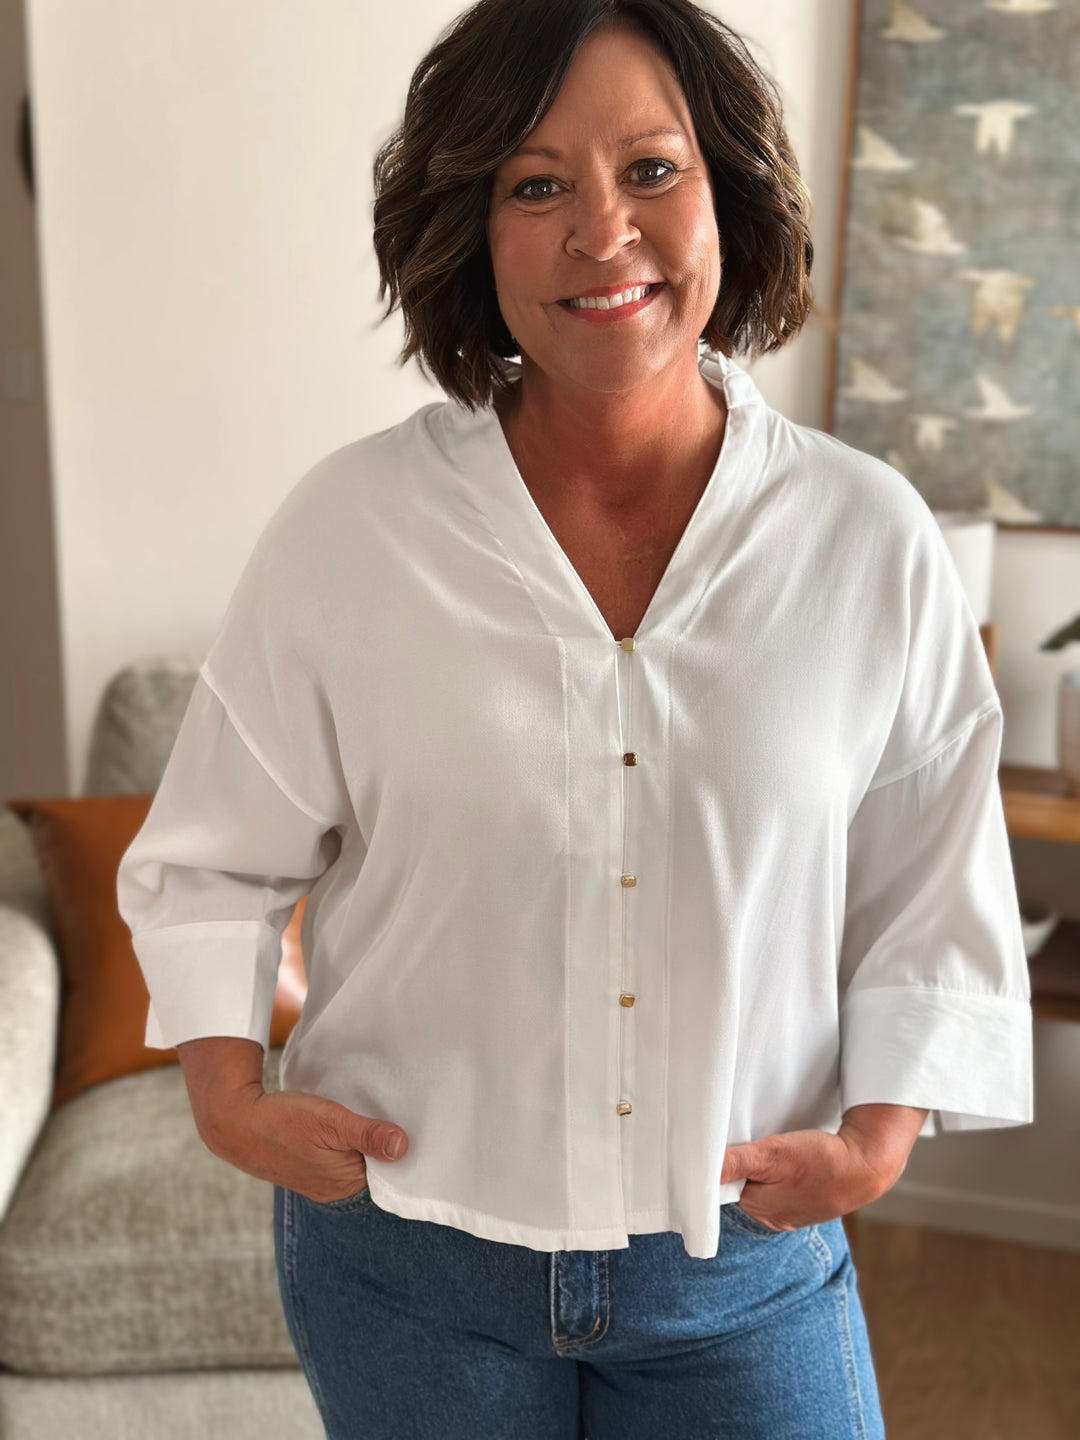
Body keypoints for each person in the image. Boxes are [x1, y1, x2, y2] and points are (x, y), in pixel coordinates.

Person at [116, 1, 1034, 1436]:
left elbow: (931, 870)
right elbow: (215, 854)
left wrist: (883, 1135)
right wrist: (227, 1091)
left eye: (652, 170)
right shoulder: (352, 533)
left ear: (729, 189)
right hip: (405, 1268)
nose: (603, 233)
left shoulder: (868, 539)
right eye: (536, 185)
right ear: (473, 233)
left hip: (744, 1269)